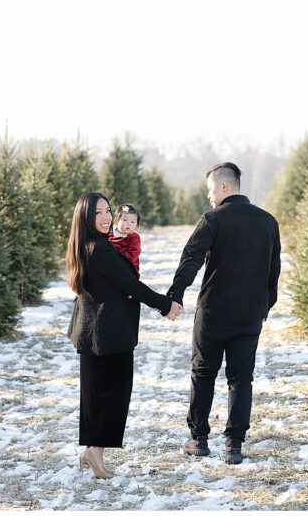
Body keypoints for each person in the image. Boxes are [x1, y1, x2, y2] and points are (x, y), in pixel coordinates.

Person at [165, 162, 281, 464]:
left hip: (213, 313)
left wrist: (175, 294)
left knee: (203, 374)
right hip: (249, 315)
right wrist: (263, 308)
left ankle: (199, 440)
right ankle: (234, 446)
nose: (208, 195)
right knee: (241, 379)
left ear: (224, 187)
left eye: (210, 189)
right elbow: (274, 272)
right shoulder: (268, 221)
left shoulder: (213, 219)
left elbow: (191, 259)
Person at [65, 193, 180, 479]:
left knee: (101, 397)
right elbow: (131, 284)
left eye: (107, 211)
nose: (105, 217)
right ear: (85, 217)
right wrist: (165, 305)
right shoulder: (99, 250)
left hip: (97, 332)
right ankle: (94, 452)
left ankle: (95, 453)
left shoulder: (92, 244)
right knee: (109, 397)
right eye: (98, 213)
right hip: (107, 334)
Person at [107, 203, 141, 276]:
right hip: (111, 267)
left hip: (129, 269)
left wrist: (117, 258)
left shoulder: (133, 237)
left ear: (136, 226)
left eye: (133, 222)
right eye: (125, 220)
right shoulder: (110, 234)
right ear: (117, 220)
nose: (129, 224)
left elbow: (133, 254)